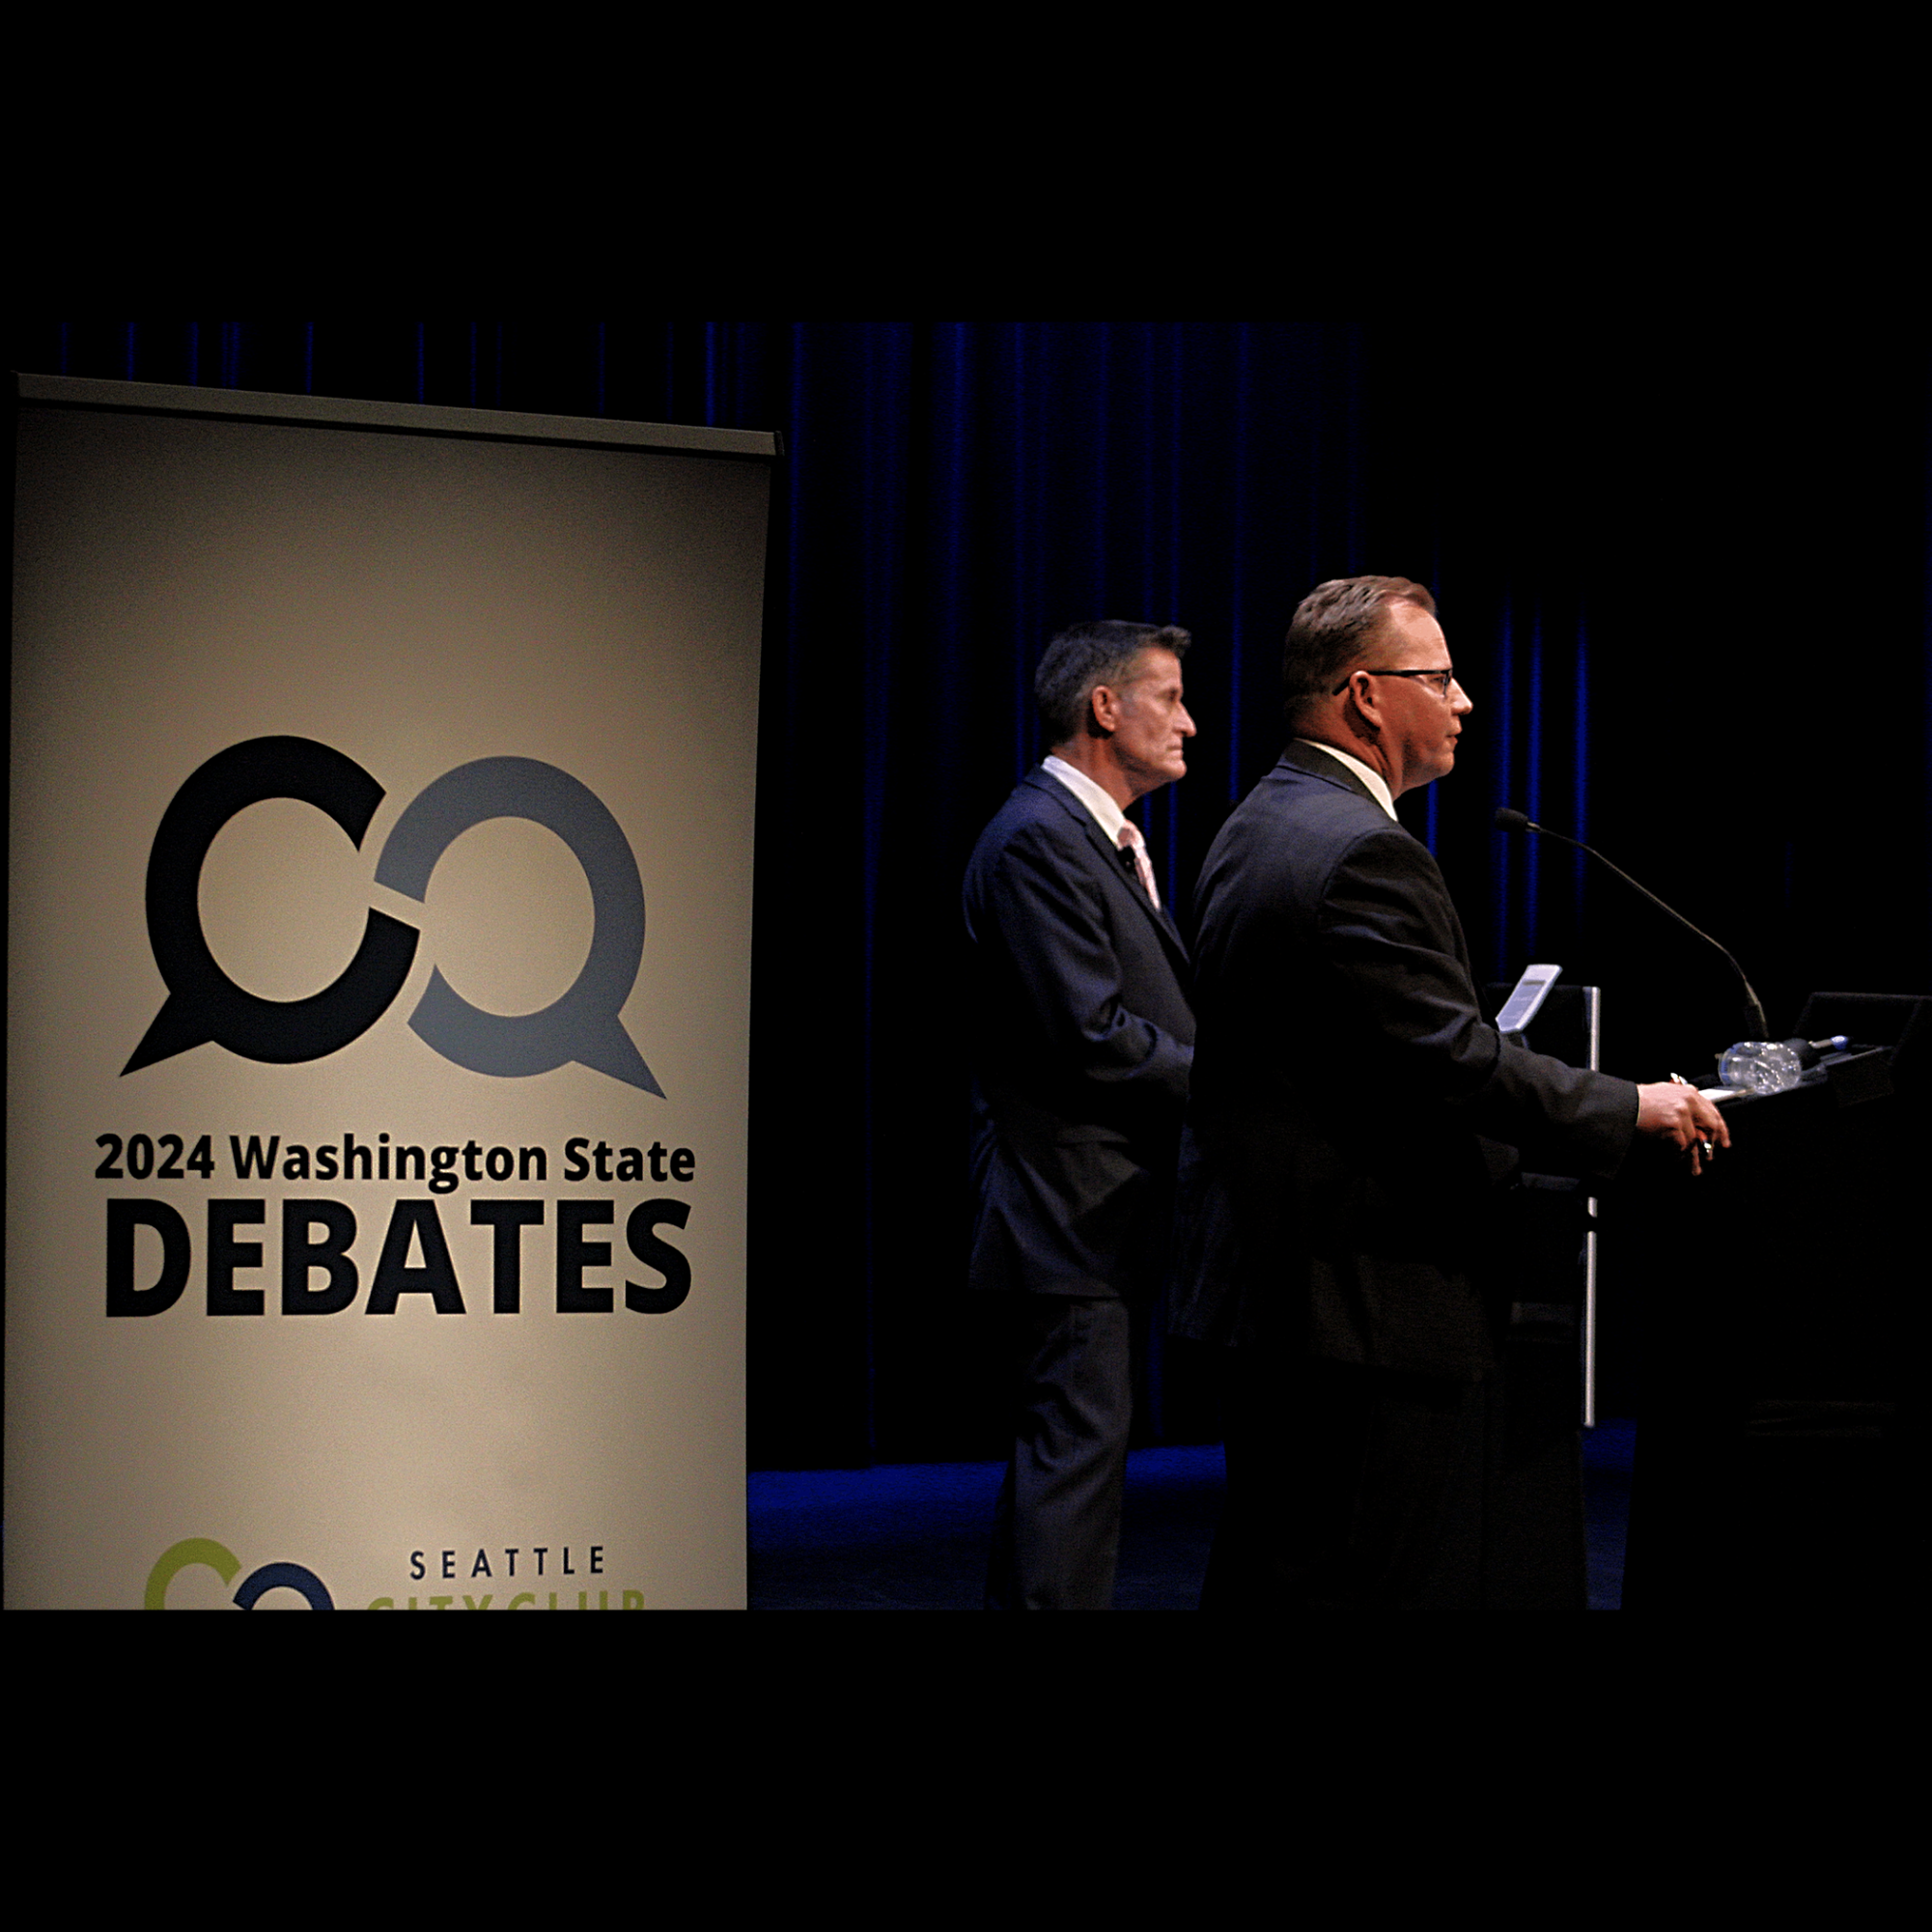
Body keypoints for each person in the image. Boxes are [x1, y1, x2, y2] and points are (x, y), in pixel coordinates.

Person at [1173, 575, 1726, 1610]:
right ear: (1367, 695)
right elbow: (1456, 1063)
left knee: (1275, 1574)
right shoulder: (1363, 849)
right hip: (1358, 1302)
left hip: (1278, 1292)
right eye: (1441, 677)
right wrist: (1632, 1106)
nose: (1467, 700)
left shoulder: (1260, 819)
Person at [964, 619, 1197, 1610]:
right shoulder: (1036, 843)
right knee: (1071, 1470)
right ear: (1107, 708)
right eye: (1171, 697)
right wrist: (1234, 1084)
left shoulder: (1096, 840)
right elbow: (1094, 1035)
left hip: (1092, 1214)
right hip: (1061, 1215)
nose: (1189, 723)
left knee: (1063, 1470)